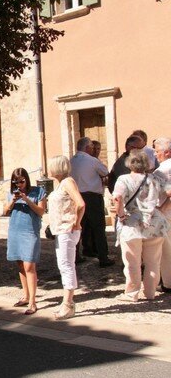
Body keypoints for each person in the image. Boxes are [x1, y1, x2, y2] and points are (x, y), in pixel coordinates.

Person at [112, 150, 171, 301]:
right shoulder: (155, 179)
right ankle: (150, 292)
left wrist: (120, 215)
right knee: (153, 261)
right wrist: (161, 209)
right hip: (155, 222)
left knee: (132, 262)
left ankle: (132, 293)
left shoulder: (123, 179)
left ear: (129, 163)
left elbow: (117, 199)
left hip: (132, 223)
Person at [47, 155, 86, 320]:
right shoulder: (60, 184)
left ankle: (68, 304)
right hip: (61, 230)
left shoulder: (68, 182)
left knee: (66, 266)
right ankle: (66, 302)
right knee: (64, 265)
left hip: (67, 230)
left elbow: (81, 203)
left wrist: (76, 222)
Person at [4, 168, 47, 315]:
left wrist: (27, 200)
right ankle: (26, 295)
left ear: (27, 180)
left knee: (29, 265)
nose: (19, 184)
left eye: (22, 181)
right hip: (15, 230)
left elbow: (41, 211)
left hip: (30, 231)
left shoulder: (38, 191)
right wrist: (13, 202)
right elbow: (5, 212)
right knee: (21, 265)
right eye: (16, 182)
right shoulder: (11, 194)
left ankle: (33, 302)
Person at [70, 137, 112, 266]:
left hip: (75, 196)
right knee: (98, 228)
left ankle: (75, 255)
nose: (93, 150)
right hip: (92, 197)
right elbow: (105, 172)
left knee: (77, 226)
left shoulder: (71, 161)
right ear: (87, 148)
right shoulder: (92, 160)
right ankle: (103, 258)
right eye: (92, 148)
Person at [155, 137, 171, 292]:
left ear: (166, 152)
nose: (155, 154)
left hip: (166, 214)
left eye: (157, 151)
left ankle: (168, 282)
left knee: (166, 249)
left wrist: (162, 206)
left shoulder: (162, 170)